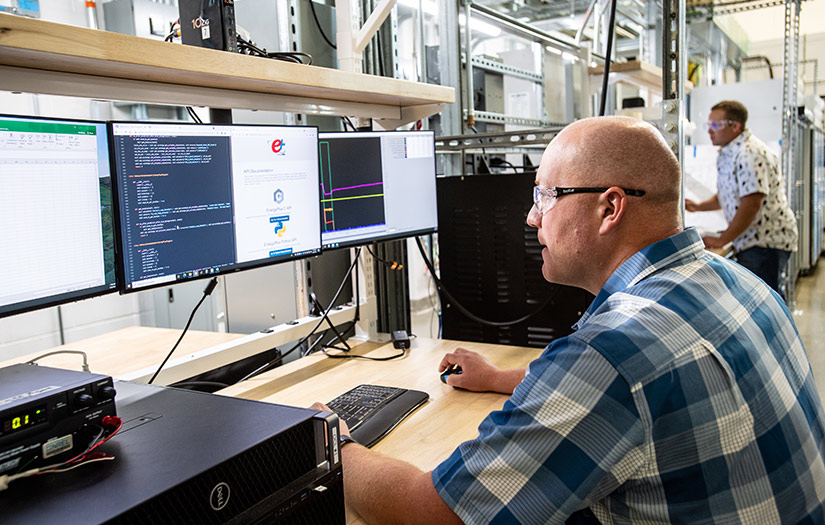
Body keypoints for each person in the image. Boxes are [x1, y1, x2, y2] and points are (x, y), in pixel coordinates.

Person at [314, 116, 825, 524]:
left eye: (545, 196)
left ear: (610, 209)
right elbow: (648, 389)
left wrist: (333, 442)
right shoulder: (744, 284)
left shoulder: (611, 354)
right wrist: (499, 379)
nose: (531, 218)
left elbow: (439, 513)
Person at [685, 100, 797, 298]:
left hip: (765, 241)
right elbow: (727, 195)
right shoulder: (728, 153)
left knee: (763, 301)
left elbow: (751, 203)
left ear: (735, 126)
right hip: (751, 240)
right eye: (708, 125)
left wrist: (723, 239)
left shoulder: (749, 153)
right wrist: (697, 207)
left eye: (715, 125)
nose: (710, 131)